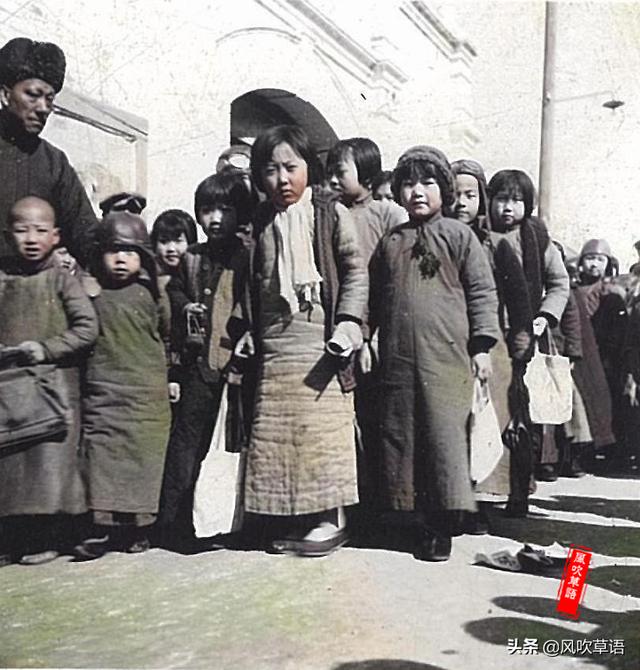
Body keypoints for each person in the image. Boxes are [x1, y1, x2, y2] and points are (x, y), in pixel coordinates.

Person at [369, 146, 500, 561]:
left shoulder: (460, 237)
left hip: (448, 359)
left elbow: (482, 293)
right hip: (400, 359)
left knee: (444, 437)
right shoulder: (391, 241)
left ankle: (442, 525)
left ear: (444, 188)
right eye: (408, 183)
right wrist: (368, 337)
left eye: (427, 183)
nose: (417, 191)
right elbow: (374, 298)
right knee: (404, 436)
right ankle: (414, 518)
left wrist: (482, 347)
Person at [244, 124, 368, 557]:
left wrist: (348, 323)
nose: (282, 179)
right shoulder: (260, 221)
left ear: (308, 169)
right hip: (276, 346)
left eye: (290, 167)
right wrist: (247, 330)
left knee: (321, 434)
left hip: (321, 342)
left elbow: (354, 271)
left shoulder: (330, 212)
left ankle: (331, 520)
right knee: (281, 436)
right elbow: (251, 283)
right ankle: (295, 517)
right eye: (271, 170)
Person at [158, 173, 255, 546]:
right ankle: (176, 524)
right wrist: (186, 307)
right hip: (199, 366)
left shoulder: (248, 256)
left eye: (225, 210)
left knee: (232, 445)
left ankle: (231, 523)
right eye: (207, 210)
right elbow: (175, 292)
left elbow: (252, 303)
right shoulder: (192, 258)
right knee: (188, 442)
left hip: (235, 367)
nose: (215, 219)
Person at [0, 196, 97, 566]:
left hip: (56, 390)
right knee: (13, 467)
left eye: (40, 230)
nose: (31, 238)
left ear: (55, 236)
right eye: (21, 230)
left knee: (50, 469)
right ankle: (13, 539)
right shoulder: (3, 280)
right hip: (11, 391)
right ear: (8, 236)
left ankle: (50, 538)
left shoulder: (61, 280)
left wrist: (47, 348)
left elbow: (87, 328)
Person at [74, 212, 171, 560]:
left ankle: (137, 529)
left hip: (145, 394)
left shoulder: (153, 293)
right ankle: (102, 529)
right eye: (113, 251)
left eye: (130, 252)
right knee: (102, 457)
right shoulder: (89, 292)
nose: (120, 259)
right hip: (104, 391)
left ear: (143, 257)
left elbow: (166, 332)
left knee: (143, 461)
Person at [326, 137, 406, 521]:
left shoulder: (388, 214)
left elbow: (394, 279)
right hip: (340, 328)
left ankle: (380, 506)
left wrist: (374, 332)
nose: (333, 179)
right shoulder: (328, 213)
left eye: (340, 171)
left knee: (376, 420)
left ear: (368, 174)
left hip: (376, 332)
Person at [486, 169, 569, 517]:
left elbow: (559, 282)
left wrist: (545, 316)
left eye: (517, 200)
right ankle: (484, 491)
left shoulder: (536, 237)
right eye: (501, 199)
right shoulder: (480, 234)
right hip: (488, 333)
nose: (508, 208)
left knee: (521, 414)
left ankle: (519, 490)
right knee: (488, 413)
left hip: (526, 337)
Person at [451, 158, 511, 534]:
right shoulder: (435, 236)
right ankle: (454, 501)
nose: (462, 202)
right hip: (449, 339)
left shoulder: (495, 244)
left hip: (490, 339)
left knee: (488, 419)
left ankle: (482, 504)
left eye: (470, 195)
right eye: (455, 193)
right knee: (454, 421)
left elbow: (513, 296)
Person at [0, 37, 98, 264]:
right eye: (33, 95)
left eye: (50, 99)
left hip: (38, 282)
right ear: (5, 96)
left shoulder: (54, 162)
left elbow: (85, 233)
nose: (43, 108)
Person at [576, 238, 627, 468]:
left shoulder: (613, 292)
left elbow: (619, 329)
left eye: (599, 259)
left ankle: (612, 451)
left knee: (609, 403)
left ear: (608, 263)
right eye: (590, 258)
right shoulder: (575, 290)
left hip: (607, 356)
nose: (594, 264)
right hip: (583, 353)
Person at [150, 209, 198, 410]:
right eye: (164, 241)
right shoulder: (152, 282)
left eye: (178, 241)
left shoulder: (195, 278)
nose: (171, 249)